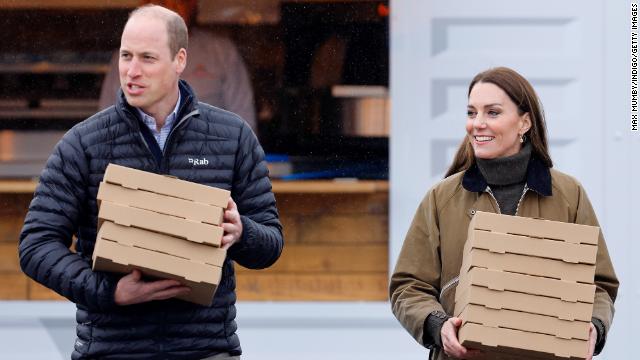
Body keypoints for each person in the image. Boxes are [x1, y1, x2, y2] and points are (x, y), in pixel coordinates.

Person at [19, 4, 282, 360]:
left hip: (205, 350)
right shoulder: (84, 143)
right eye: (126, 56)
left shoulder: (232, 137)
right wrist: (109, 291)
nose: (132, 71)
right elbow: (36, 246)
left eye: (147, 58)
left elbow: (271, 244)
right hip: (112, 350)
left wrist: (242, 233)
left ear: (179, 60)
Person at [389, 67, 618, 360]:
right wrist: (437, 324)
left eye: (492, 113)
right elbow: (408, 287)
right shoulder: (442, 199)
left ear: (524, 122)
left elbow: (599, 283)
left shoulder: (568, 195)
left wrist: (594, 327)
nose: (477, 124)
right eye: (471, 113)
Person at [98, 0, 257, 132]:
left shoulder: (222, 52)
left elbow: (244, 124)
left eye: (178, 1)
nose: (168, 7)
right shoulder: (125, 57)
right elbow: (106, 127)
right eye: (161, 1)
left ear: (192, 4)